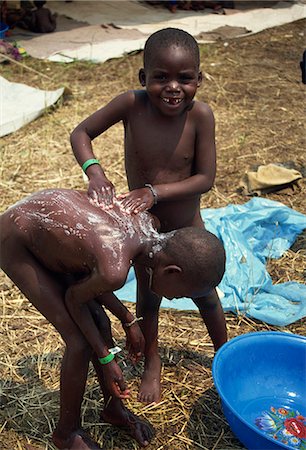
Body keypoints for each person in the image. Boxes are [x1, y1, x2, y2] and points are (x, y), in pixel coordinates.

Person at [70, 27, 228, 405]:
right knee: (149, 297)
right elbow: (81, 133)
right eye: (161, 77)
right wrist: (94, 171)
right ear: (144, 78)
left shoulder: (200, 116)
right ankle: (152, 361)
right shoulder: (131, 104)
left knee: (206, 295)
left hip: (188, 227)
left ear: (199, 80)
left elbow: (205, 178)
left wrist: (153, 192)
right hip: (146, 230)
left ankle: (225, 355)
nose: (173, 87)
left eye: (185, 78)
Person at [0, 188, 225, 450]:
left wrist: (127, 319)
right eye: (183, 295)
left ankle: (112, 409)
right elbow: (76, 297)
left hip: (55, 241)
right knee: (79, 341)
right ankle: (66, 433)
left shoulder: (149, 224)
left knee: (101, 323)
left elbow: (94, 276)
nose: (176, 300)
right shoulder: (116, 268)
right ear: (171, 271)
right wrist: (106, 359)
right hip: (16, 239)